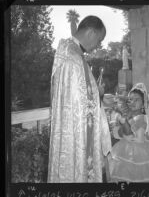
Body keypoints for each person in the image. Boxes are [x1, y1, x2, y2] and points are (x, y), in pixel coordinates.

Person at [48, 16, 111, 183]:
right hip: (75, 135)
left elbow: (80, 96)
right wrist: (98, 95)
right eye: (99, 39)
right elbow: (79, 103)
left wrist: (97, 93)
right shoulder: (73, 58)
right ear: (90, 32)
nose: (99, 45)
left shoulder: (71, 52)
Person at [108, 83, 149, 182]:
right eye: (130, 99)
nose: (132, 102)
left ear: (143, 103)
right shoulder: (132, 116)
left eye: (137, 99)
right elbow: (124, 132)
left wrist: (124, 130)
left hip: (138, 152)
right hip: (127, 149)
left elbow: (139, 139)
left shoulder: (141, 118)